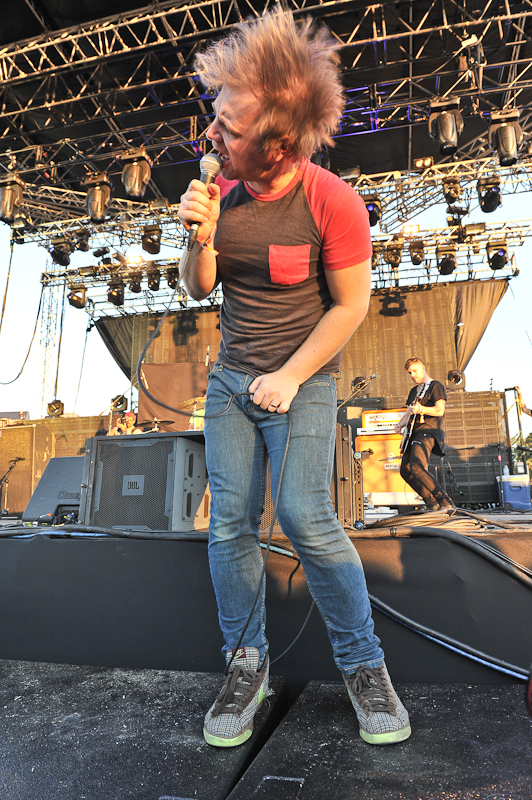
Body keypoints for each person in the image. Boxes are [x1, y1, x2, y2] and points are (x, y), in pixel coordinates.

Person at [178, 9, 410, 749]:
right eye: (213, 120)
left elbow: (350, 308)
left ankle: (365, 665)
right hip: (231, 381)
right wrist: (197, 237)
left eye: (228, 129)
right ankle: (246, 664)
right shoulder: (224, 195)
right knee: (231, 527)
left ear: (278, 144)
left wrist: (287, 376)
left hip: (303, 379)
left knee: (308, 518)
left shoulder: (332, 202)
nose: (211, 137)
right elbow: (195, 287)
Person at [394, 357, 454, 511]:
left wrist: (423, 409)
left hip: (428, 430)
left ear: (424, 368)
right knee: (405, 470)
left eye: (415, 371)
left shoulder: (435, 385)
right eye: (409, 373)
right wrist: (400, 424)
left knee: (417, 466)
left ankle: (445, 501)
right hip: (414, 433)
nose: (413, 375)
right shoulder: (414, 391)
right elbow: (409, 412)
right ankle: (431, 501)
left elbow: (440, 410)